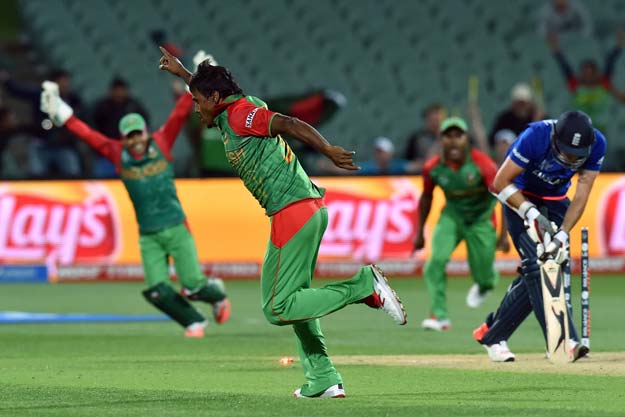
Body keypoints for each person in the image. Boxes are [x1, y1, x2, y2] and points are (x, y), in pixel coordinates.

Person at [158, 46, 407, 399]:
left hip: (294, 211)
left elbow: (288, 123)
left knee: (278, 307)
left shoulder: (243, 113)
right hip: (300, 210)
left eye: (198, 101)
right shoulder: (230, 108)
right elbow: (212, 96)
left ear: (215, 97)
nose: (195, 108)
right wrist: (184, 73)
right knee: (297, 300)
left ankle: (363, 285)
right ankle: (322, 377)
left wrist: (328, 150)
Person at [39, 73, 231, 339]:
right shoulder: (117, 152)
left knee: (193, 286)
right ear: (123, 138)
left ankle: (216, 295)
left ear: (145, 131)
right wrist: (62, 112)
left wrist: (197, 81)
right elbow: (88, 134)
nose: (135, 140)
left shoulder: (162, 142)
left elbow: (179, 112)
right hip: (149, 234)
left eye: (138, 134)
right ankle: (194, 322)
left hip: (176, 227)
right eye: (129, 136)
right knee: (156, 291)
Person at [473, 110, 604, 362]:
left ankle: (492, 333)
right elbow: (499, 183)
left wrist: (563, 234)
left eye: (577, 156)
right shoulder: (536, 136)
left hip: (555, 201)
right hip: (519, 197)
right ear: (555, 139)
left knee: (550, 265)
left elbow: (583, 191)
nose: (570, 160)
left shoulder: (597, 143)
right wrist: (529, 212)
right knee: (536, 267)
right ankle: (562, 341)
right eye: (566, 152)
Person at [413, 117, 508, 331]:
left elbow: (505, 199)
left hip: (481, 220)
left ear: (467, 139)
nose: (454, 141)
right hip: (452, 217)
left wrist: (503, 236)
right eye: (448, 136)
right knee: (434, 262)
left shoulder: (483, 164)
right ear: (441, 140)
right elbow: (426, 198)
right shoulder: (433, 167)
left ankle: (487, 281)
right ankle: (439, 316)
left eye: (459, 136)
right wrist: (420, 233)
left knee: (484, 278)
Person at [1, 68, 89, 178]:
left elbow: (82, 118)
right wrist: (7, 80)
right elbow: (18, 91)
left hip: (64, 146)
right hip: (41, 144)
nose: (65, 85)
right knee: (36, 175)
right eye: (62, 82)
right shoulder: (41, 95)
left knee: (73, 174)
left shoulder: (73, 99)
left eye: (67, 82)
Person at [547, 31, 624, 133]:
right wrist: (555, 48)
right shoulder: (575, 85)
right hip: (580, 130)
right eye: (585, 73)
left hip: (601, 129)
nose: (588, 76)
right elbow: (565, 67)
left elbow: (611, 63)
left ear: (596, 73)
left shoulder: (604, 84)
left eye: (591, 73)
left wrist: (619, 45)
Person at [92, 77, 151, 178]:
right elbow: (93, 128)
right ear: (111, 91)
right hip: (109, 151)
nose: (119, 93)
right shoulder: (102, 107)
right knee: (101, 173)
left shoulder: (134, 106)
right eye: (116, 90)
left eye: (121, 90)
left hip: (132, 152)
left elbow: (145, 125)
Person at [488, 83, 543, 161]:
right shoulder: (504, 119)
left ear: (530, 104)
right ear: (513, 103)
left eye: (523, 103)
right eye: (518, 103)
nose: (520, 107)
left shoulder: (539, 118)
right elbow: (490, 143)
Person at [403, 103, 445, 174]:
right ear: (426, 120)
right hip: (420, 176)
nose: (436, 123)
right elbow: (408, 165)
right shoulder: (416, 138)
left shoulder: (452, 138)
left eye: (438, 120)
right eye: (432, 120)